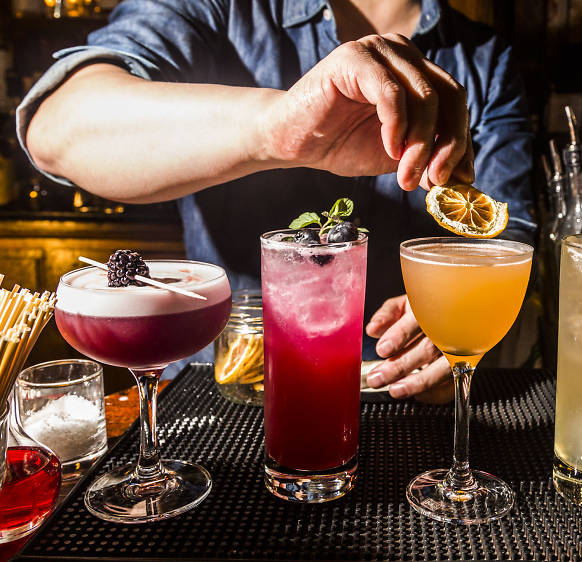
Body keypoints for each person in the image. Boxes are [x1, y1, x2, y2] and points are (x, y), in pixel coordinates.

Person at [17, 0, 535, 403]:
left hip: (393, 392)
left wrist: (464, 307)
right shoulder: (218, 10)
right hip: (217, 389)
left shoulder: (486, 59)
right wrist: (278, 128)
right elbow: (56, 128)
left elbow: (508, 239)